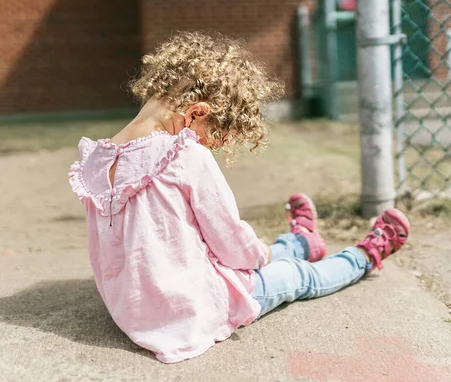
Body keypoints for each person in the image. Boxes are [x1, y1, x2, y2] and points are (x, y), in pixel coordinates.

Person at [69, 31, 410, 364]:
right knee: (295, 275)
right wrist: (263, 254)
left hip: (132, 308)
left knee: (261, 253)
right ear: (196, 113)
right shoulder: (183, 156)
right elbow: (232, 246)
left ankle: (303, 241)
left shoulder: (95, 162)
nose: (206, 145)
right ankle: (363, 256)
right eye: (211, 136)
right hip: (191, 309)